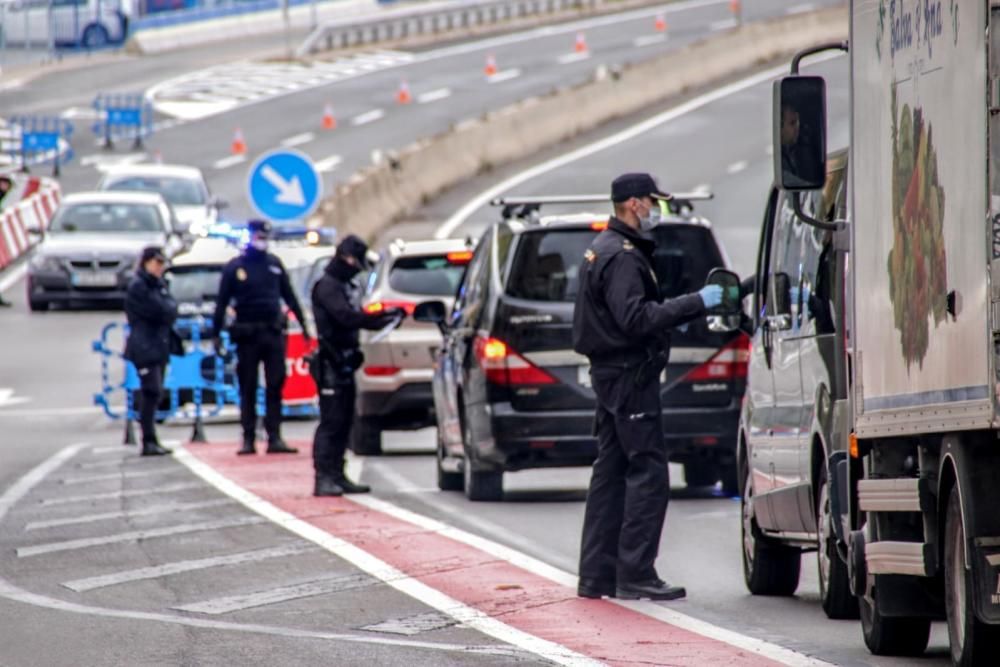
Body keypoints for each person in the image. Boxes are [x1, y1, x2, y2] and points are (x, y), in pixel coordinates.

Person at [572, 173, 723, 601]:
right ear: (634, 204)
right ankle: (635, 572)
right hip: (628, 377)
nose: (658, 210)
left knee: (611, 471)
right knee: (648, 471)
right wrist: (697, 302)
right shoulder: (621, 256)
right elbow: (635, 319)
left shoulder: (602, 248)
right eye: (654, 202)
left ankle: (596, 575)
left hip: (612, 376)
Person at [310, 235, 403, 497]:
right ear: (347, 258)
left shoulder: (343, 285)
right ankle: (323, 476)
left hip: (344, 361)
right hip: (331, 361)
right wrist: (377, 319)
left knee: (345, 421)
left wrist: (382, 318)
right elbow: (345, 317)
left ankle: (337, 474)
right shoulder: (328, 286)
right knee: (331, 421)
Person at [212, 219, 311, 456]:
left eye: (265, 237)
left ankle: (274, 436)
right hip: (247, 335)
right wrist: (216, 333)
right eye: (258, 236)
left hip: (273, 333)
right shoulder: (236, 267)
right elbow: (221, 302)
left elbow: (290, 297)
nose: (262, 241)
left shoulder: (274, 265)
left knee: (275, 384)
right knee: (248, 387)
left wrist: (305, 326)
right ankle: (248, 438)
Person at [123, 246, 178, 457]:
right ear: (146, 262)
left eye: (162, 264)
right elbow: (158, 310)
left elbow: (171, 308)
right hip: (144, 345)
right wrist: (166, 310)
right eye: (157, 263)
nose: (160, 268)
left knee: (157, 392)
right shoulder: (139, 286)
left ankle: (152, 438)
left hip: (159, 345)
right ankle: (148, 439)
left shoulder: (158, 284)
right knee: (151, 390)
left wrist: (167, 309)